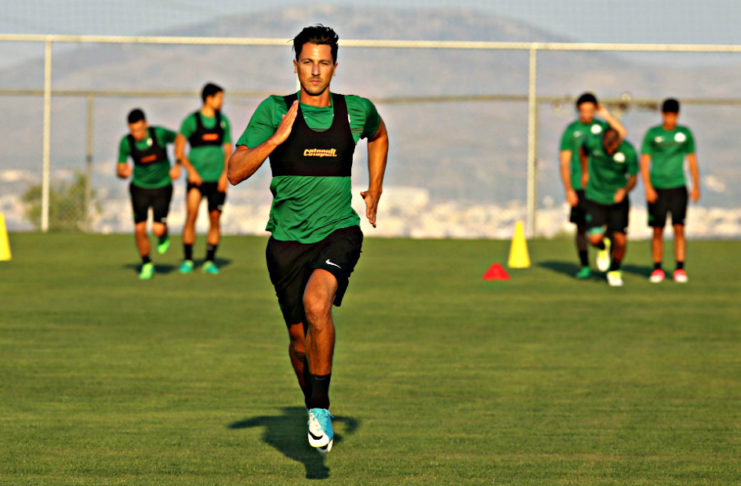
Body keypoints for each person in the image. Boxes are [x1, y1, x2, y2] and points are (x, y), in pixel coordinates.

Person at [227, 25, 389, 453]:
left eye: (324, 63)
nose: (315, 71)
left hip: (338, 231)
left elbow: (379, 134)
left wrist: (375, 187)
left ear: (335, 67)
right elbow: (235, 172)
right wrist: (276, 139)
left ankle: (320, 407)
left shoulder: (355, 111)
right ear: (295, 65)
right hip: (286, 244)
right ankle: (312, 402)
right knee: (300, 345)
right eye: (307, 62)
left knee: (318, 305)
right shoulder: (274, 110)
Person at [559, 93, 626, 279]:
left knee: (607, 225)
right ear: (578, 110)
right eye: (583, 110)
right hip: (579, 185)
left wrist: (606, 115)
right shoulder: (571, 131)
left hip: (600, 186)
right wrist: (569, 189)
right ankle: (585, 266)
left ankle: (605, 250)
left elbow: (621, 134)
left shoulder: (602, 127)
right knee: (581, 226)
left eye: (590, 110)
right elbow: (564, 162)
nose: (587, 114)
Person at [175, 83, 233, 275]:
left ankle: (209, 260)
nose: (222, 101)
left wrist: (225, 176)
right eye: (219, 97)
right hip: (196, 181)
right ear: (209, 98)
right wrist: (190, 171)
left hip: (217, 181)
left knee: (215, 218)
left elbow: (228, 151)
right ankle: (188, 259)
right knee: (191, 215)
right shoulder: (191, 121)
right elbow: (179, 150)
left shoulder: (223, 122)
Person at [640, 98, 699, 283]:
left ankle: (679, 268)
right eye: (668, 115)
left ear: (678, 115)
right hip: (657, 187)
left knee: (679, 227)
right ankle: (657, 268)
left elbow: (691, 160)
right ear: (662, 114)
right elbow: (644, 162)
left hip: (678, 186)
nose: (670, 119)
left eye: (674, 116)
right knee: (657, 229)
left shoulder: (685, 134)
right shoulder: (652, 134)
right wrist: (648, 187)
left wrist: (696, 185)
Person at [116, 108, 180, 280]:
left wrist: (178, 163)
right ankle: (147, 263)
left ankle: (163, 234)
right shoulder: (126, 143)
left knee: (157, 229)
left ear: (146, 124)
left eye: (139, 129)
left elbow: (180, 139)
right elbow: (120, 168)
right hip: (140, 188)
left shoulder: (159, 134)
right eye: (132, 130)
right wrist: (122, 172)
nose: (136, 134)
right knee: (139, 228)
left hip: (162, 187)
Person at [579, 127, 638, 287]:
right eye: (607, 147)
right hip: (595, 197)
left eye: (614, 147)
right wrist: (585, 172)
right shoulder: (593, 143)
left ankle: (614, 270)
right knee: (594, 238)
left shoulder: (629, 151)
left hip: (617, 201)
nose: (610, 151)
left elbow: (633, 178)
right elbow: (582, 151)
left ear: (619, 142)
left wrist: (624, 190)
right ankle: (603, 247)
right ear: (603, 141)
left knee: (620, 240)